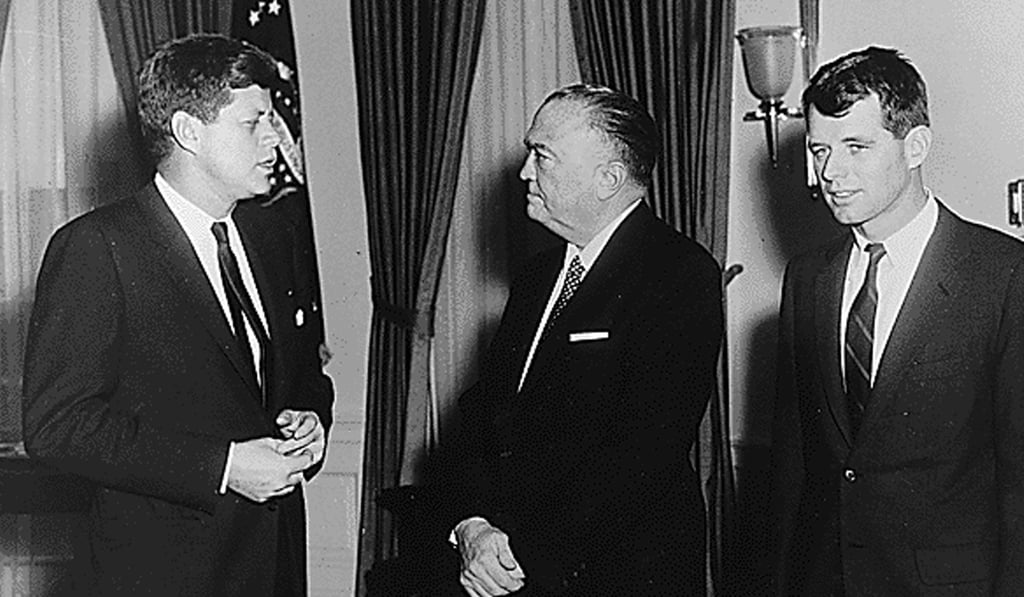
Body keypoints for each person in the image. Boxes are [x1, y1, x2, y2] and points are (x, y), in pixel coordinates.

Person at [21, 33, 334, 596]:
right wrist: (224, 466)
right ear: (190, 131)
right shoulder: (97, 247)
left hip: (274, 568)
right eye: (253, 122)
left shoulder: (273, 236)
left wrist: (309, 420)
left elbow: (301, 381)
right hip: (163, 576)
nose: (276, 140)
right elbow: (57, 427)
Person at [449, 84, 723, 596]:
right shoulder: (538, 277)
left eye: (543, 155)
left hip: (613, 574)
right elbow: (483, 415)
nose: (525, 171)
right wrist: (473, 525)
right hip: (504, 568)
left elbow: (642, 452)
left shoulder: (678, 274)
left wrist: (517, 551)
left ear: (609, 179)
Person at [771, 46, 1024, 595]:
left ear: (916, 146)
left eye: (856, 147)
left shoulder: (1003, 276)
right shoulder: (807, 279)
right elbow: (791, 469)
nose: (830, 173)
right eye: (819, 150)